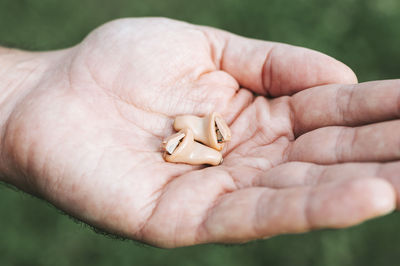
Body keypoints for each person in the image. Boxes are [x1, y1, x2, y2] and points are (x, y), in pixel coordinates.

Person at [0, 17, 398, 248]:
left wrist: (19, 93)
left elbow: (203, 143)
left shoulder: (206, 140)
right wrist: (19, 95)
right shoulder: (198, 139)